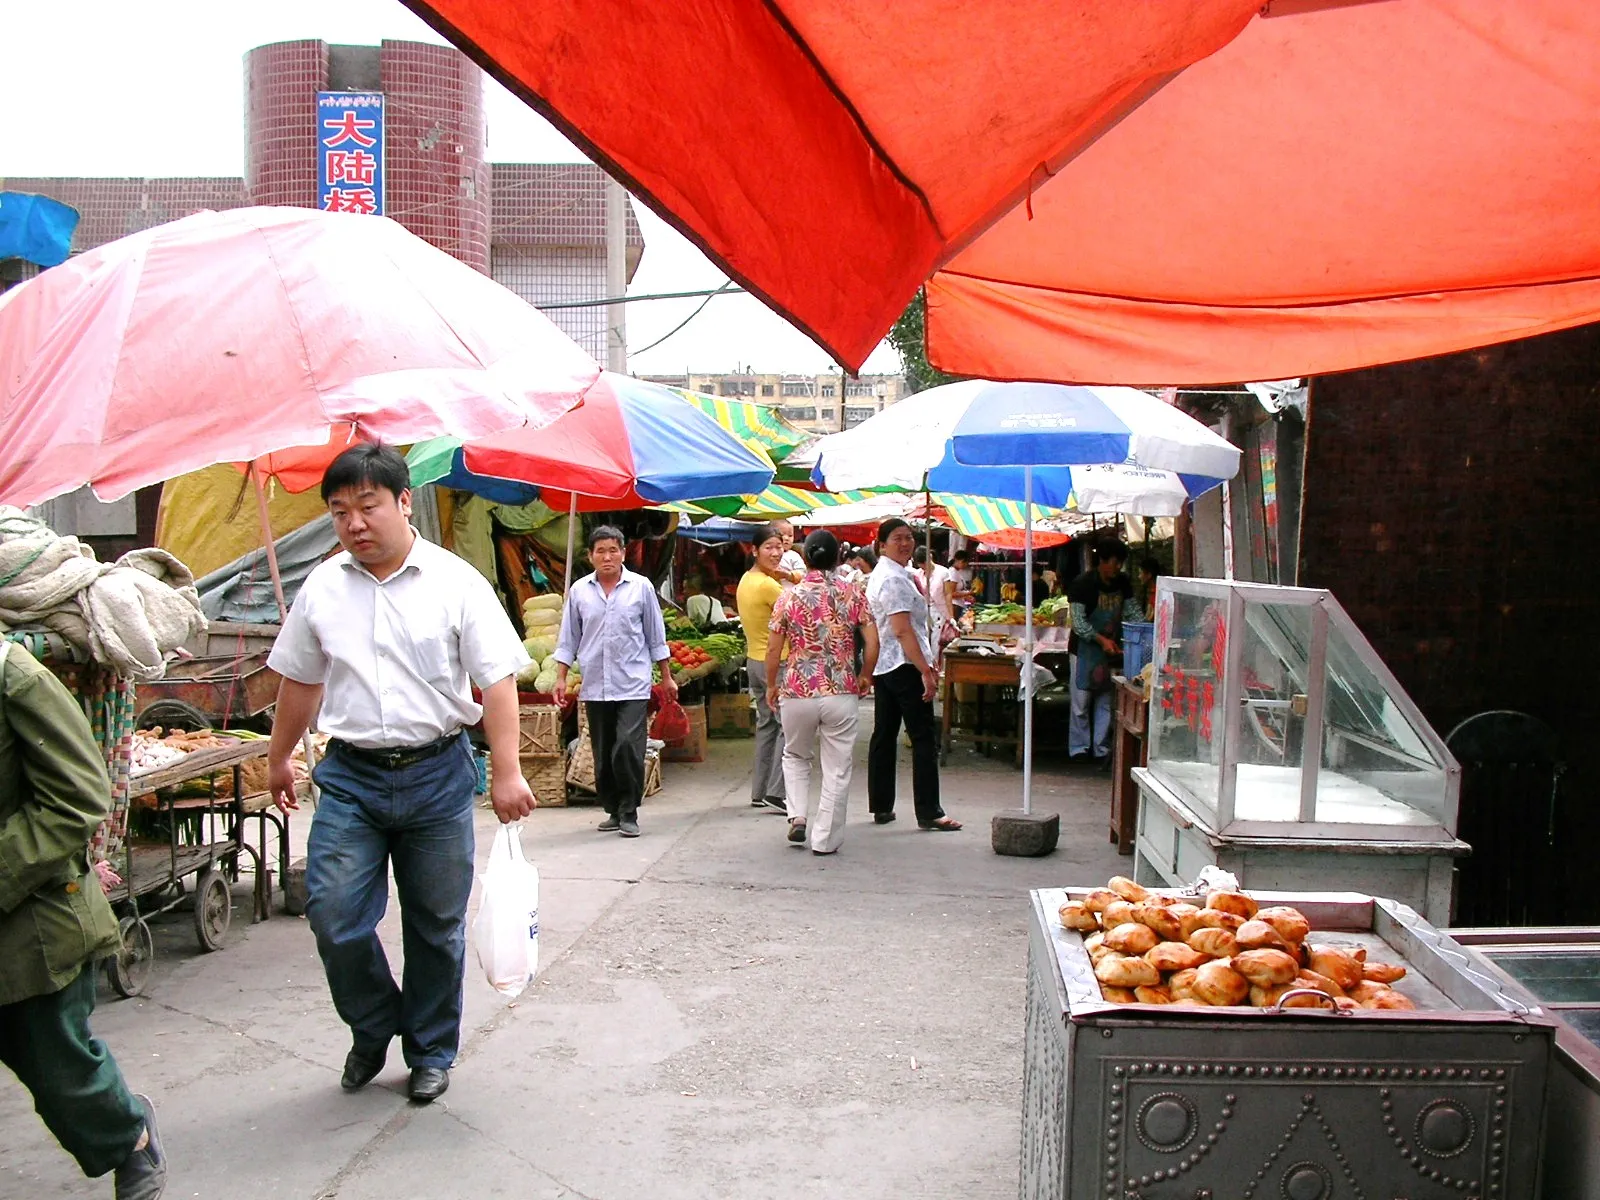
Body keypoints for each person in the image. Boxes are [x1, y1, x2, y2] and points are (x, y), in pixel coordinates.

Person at [267, 443, 536, 1105]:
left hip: (437, 772)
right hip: (351, 777)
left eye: (367, 506)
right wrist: (277, 757)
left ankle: (430, 1051)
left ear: (402, 502)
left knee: (435, 926)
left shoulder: (455, 581)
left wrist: (507, 771)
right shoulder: (323, 588)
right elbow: (300, 681)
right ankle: (373, 1023)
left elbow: (496, 681)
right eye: (339, 512)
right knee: (333, 914)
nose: (355, 523)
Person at [0, 641, 168, 1199]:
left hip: (28, 916)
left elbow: (74, 797)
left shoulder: (12, 677)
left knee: (55, 1064)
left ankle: (127, 1137)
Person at [553, 526, 675, 835]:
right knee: (604, 753)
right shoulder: (580, 592)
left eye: (613, 550)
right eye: (601, 551)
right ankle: (613, 809)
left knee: (627, 747)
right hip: (595, 685)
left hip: (633, 682)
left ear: (623, 553)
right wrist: (560, 677)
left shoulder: (641, 587)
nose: (607, 557)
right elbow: (568, 639)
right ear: (590, 556)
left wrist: (667, 677)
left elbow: (655, 635)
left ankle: (630, 811)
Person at [765, 531, 879, 854]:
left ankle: (798, 815)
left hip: (797, 691)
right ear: (837, 558)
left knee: (795, 754)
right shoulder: (853, 593)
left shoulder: (787, 597)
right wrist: (866, 675)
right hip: (841, 690)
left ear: (806, 557)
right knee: (837, 767)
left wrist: (772, 684)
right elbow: (873, 641)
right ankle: (825, 840)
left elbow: (773, 650)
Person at [865, 519, 961, 831]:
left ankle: (881, 805)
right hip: (903, 664)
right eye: (897, 539)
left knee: (884, 734)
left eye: (909, 538)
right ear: (882, 545)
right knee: (922, 736)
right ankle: (929, 810)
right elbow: (903, 629)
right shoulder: (892, 579)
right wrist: (926, 670)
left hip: (886, 664)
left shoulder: (894, 573)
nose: (905, 543)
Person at [1065, 540, 1143, 763]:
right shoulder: (1082, 584)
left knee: (1105, 700)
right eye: (1114, 563)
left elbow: (1132, 612)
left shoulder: (1123, 583)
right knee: (1081, 702)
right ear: (1102, 561)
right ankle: (1079, 749)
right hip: (1083, 650)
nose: (1117, 568)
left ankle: (1101, 749)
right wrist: (1100, 640)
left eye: (1120, 564)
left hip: (1111, 649)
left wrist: (1145, 631)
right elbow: (1078, 623)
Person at [735, 525, 789, 812]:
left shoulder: (747, 579)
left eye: (779, 546)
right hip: (776, 663)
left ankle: (760, 791)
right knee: (786, 727)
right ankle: (777, 791)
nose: (776, 552)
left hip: (754, 660)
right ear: (754, 551)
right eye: (769, 547)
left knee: (767, 725)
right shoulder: (769, 586)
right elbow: (796, 615)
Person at [913, 546, 956, 647]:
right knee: (924, 639)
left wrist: (951, 615)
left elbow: (948, 593)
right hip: (923, 609)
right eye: (921, 565)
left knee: (936, 642)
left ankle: (935, 661)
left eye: (924, 563)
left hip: (939, 610)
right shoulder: (917, 574)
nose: (923, 566)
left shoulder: (943, 572)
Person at [773, 518, 806, 584]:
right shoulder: (768, 554)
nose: (786, 538)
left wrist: (788, 575)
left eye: (790, 535)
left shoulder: (793, 555)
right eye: (782, 535)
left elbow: (803, 573)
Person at [949, 550, 975, 622]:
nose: (965, 565)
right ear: (958, 560)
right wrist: (968, 593)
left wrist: (966, 596)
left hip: (958, 605)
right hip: (954, 606)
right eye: (964, 562)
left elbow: (958, 591)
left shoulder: (957, 572)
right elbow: (951, 593)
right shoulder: (953, 573)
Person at [1136, 555, 1162, 621]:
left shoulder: (1158, 593)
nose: (1139, 577)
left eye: (1140, 573)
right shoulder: (1153, 591)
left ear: (1149, 575)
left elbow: (1149, 619)